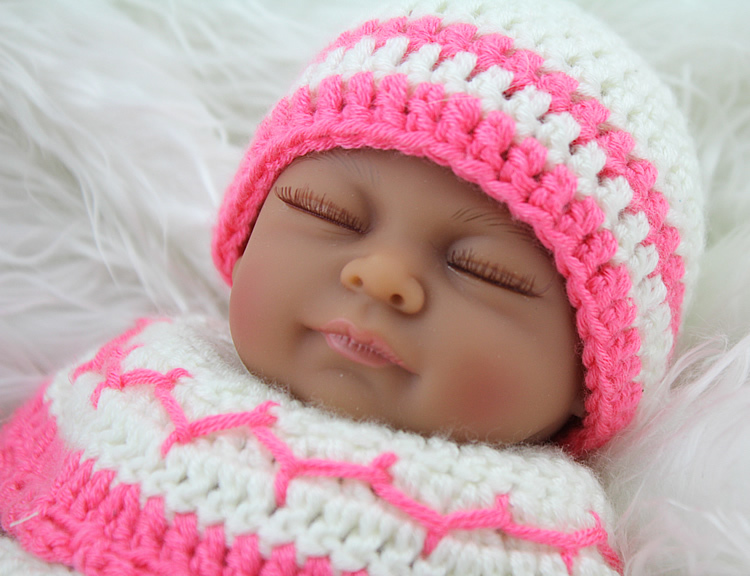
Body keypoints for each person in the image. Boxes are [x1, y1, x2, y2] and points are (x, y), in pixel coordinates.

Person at [0, 0, 703, 574]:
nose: (381, 277)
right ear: (249, 230)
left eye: (483, 271)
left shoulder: (533, 542)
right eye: (329, 213)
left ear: (590, 376)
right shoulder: (131, 383)